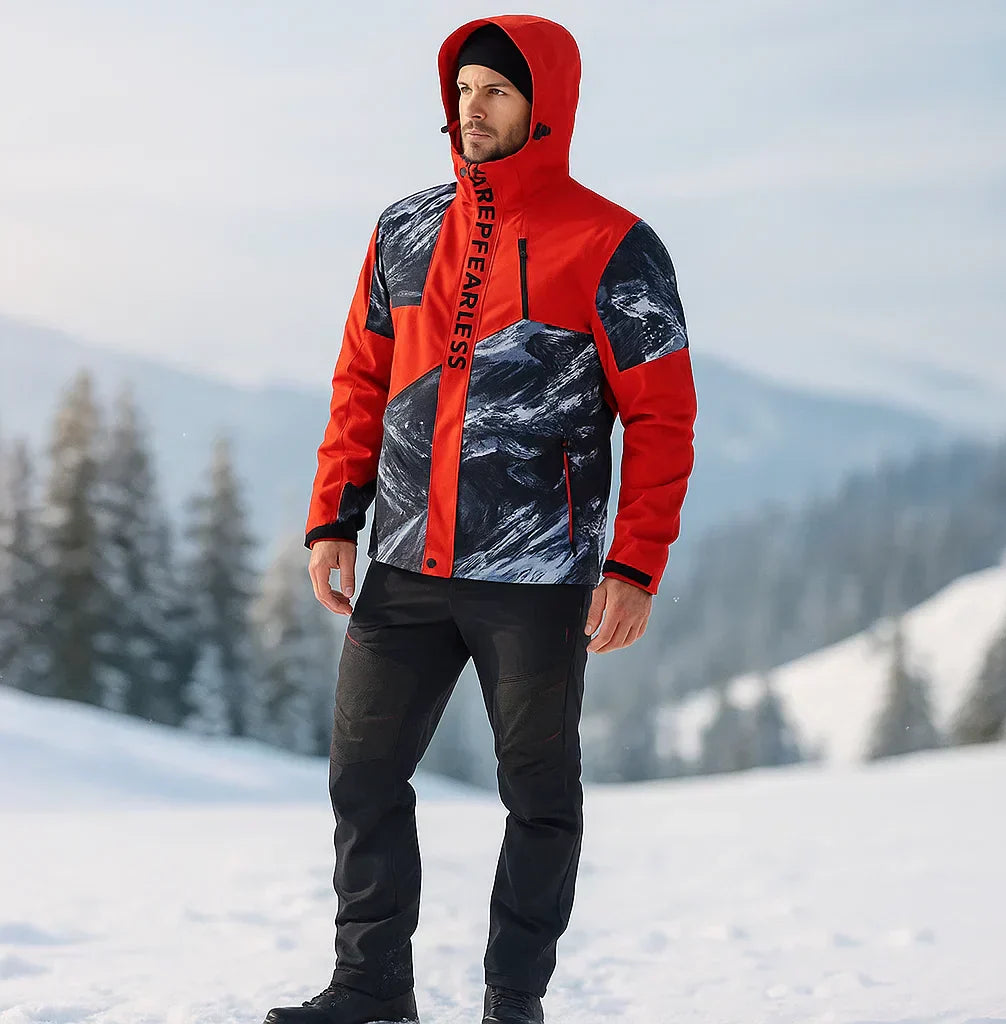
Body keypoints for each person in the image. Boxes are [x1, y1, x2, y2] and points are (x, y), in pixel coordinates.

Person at [263, 13, 697, 1024]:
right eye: (462, 91)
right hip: (406, 561)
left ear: (544, 107)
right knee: (362, 779)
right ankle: (372, 987)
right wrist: (335, 516)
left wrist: (633, 565)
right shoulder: (404, 229)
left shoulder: (614, 245)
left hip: (534, 577)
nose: (473, 109)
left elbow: (662, 417)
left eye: (496, 91)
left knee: (537, 797)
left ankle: (513, 1000)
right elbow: (361, 380)